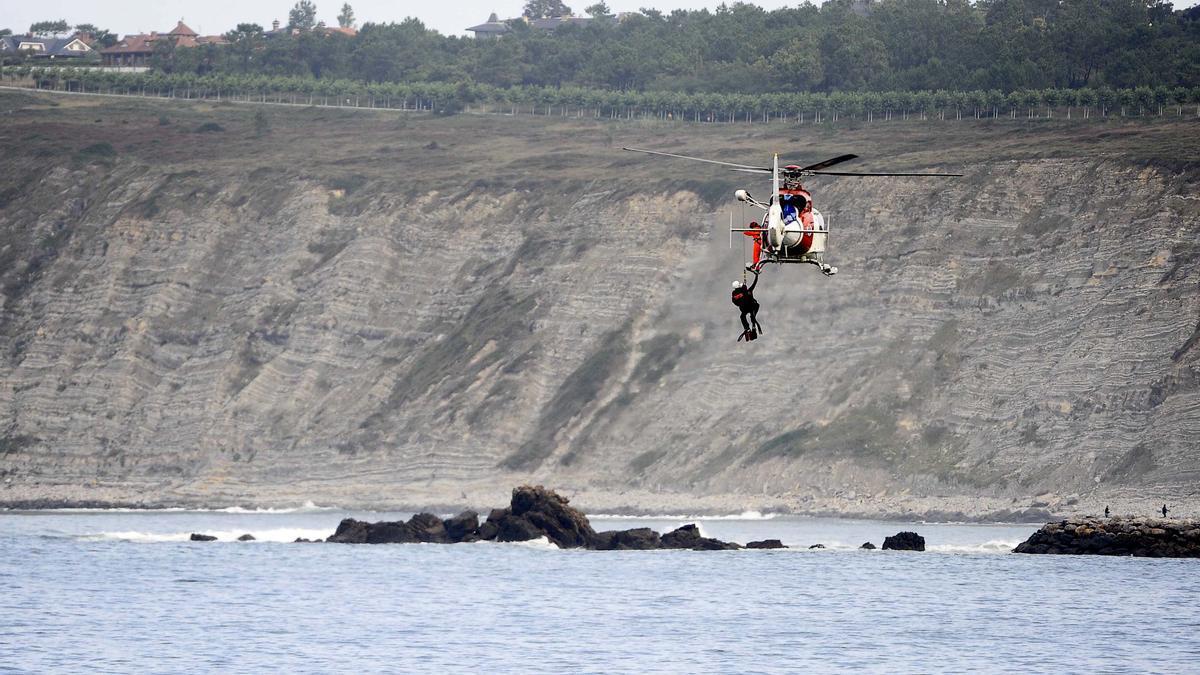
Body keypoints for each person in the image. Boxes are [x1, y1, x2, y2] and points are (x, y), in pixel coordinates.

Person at [732, 270, 763, 340]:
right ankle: (753, 326)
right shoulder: (748, 291)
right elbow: (754, 283)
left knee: (742, 317)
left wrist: (740, 304)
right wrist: (756, 275)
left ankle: (748, 329)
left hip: (745, 309)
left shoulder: (735, 294)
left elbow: (735, 302)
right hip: (752, 307)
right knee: (752, 315)